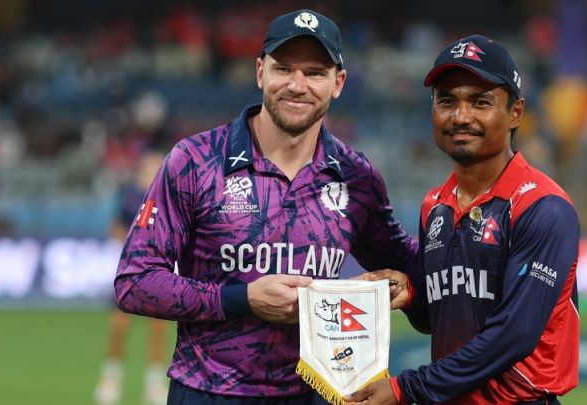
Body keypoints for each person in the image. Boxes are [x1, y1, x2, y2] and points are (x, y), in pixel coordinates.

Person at [114, 8, 418, 405]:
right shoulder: (195, 160)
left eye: (315, 73)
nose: (297, 85)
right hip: (209, 392)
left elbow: (405, 265)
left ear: (338, 83)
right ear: (260, 72)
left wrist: (402, 284)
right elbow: (135, 282)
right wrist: (242, 298)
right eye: (284, 69)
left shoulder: (357, 177)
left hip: (315, 393)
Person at [344, 35, 581, 405]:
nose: (460, 116)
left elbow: (513, 334)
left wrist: (405, 389)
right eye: (446, 100)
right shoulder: (435, 206)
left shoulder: (543, 207)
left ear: (515, 113)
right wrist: (411, 294)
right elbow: (438, 320)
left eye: (480, 101)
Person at [95, 150, 170, 405]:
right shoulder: (129, 196)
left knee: (158, 328)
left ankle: (155, 383)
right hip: (131, 270)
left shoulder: (168, 195)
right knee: (119, 326)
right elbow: (116, 226)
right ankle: (110, 378)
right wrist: (130, 246)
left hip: (159, 271)